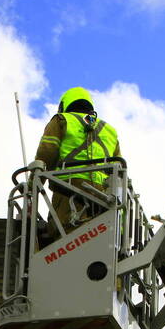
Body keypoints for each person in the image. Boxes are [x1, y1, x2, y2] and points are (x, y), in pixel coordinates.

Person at [33, 87, 122, 235]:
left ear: (64, 105)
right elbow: (119, 169)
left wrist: (33, 185)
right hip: (103, 197)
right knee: (98, 238)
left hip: (68, 189)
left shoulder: (61, 120)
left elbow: (47, 152)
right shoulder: (110, 131)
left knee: (64, 236)